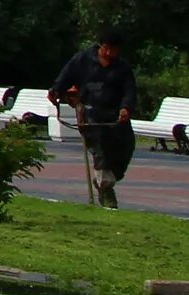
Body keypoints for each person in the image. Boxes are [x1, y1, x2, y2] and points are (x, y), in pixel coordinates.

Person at [52, 30, 137, 207]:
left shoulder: (122, 68)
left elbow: (130, 91)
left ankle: (103, 180)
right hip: (90, 113)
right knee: (101, 150)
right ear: (101, 46)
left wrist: (125, 108)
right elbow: (64, 78)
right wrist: (56, 91)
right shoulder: (82, 60)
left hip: (115, 115)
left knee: (125, 148)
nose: (109, 54)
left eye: (114, 50)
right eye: (107, 49)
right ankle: (105, 189)